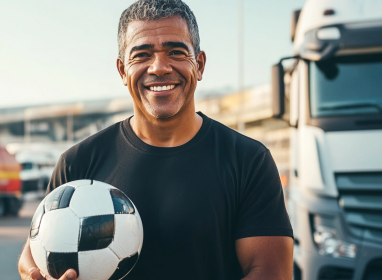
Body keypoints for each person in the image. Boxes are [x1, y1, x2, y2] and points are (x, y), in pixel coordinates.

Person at [18, 0, 293, 279]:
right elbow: (34, 250)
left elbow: (272, 272)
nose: (159, 67)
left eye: (176, 52)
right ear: (122, 71)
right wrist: (34, 274)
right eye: (142, 55)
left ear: (199, 65)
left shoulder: (248, 161)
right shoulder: (78, 162)